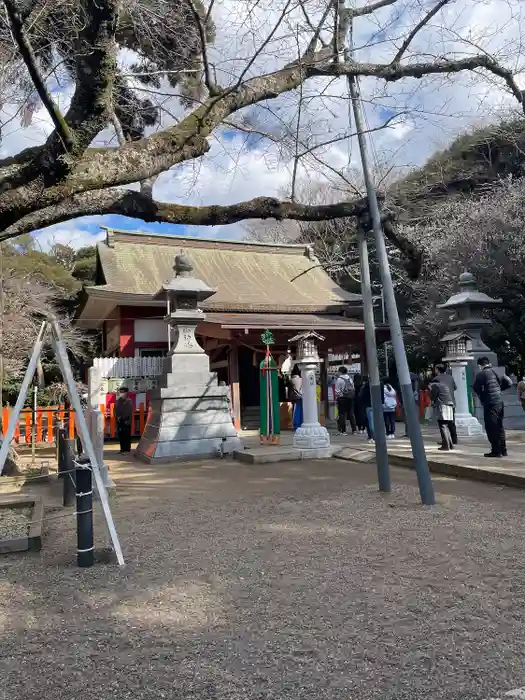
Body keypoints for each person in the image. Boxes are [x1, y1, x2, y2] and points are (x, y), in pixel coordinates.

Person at [472, 357, 512, 458]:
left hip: (490, 402)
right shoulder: (497, 371)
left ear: (480, 366)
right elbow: (510, 383)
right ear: (489, 363)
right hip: (499, 401)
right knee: (499, 425)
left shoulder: (481, 374)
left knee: (491, 426)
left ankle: (496, 451)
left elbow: (475, 387)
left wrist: (483, 396)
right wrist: (499, 389)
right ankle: (503, 450)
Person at [429, 370, 455, 451]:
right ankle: (450, 444)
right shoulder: (444, 385)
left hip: (442, 406)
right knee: (446, 425)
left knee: (443, 426)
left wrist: (432, 402)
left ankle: (446, 446)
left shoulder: (434, 385)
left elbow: (433, 397)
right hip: (450, 405)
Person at [434, 364, 458, 445]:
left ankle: (445, 440)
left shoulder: (436, 379)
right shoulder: (450, 377)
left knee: (442, 422)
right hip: (451, 401)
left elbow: (434, 392)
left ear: (437, 370)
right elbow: (455, 388)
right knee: (451, 421)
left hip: (441, 402)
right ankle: (454, 439)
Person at [335, 366, 356, 435]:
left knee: (342, 414)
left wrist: (338, 397)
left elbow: (337, 391)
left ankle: (343, 431)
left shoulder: (339, 379)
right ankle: (354, 430)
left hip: (342, 399)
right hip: (350, 398)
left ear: (340, 372)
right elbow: (353, 388)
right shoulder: (350, 378)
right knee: (351, 413)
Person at [115, 386, 133, 454]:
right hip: (119, 420)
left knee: (126, 435)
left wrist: (122, 417)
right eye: (120, 392)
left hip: (126, 420)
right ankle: (122, 449)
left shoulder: (128, 401)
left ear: (126, 393)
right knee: (121, 435)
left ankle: (127, 450)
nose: (121, 393)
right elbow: (116, 409)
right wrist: (117, 417)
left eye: (123, 392)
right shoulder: (118, 400)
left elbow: (128, 411)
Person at [358, 377, 375, 442]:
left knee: (369, 422)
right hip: (377, 406)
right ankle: (376, 436)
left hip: (367, 406)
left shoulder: (365, 387)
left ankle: (371, 436)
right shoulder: (380, 384)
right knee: (376, 422)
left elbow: (360, 397)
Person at [289, 365, 303, 431]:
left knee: (295, 410)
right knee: (300, 410)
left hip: (295, 397)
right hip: (301, 396)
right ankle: (300, 423)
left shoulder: (291, 379)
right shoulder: (301, 379)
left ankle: (295, 425)